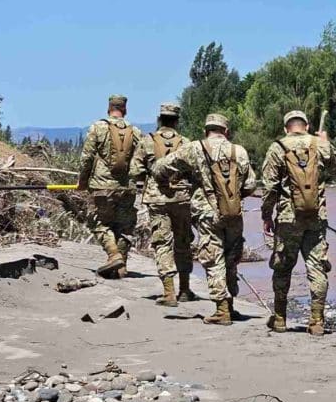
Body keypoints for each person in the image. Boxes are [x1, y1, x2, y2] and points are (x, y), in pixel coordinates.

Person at [153, 113, 256, 325]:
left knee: (213, 257)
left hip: (207, 213)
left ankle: (222, 308)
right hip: (234, 213)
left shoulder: (195, 148)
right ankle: (231, 304)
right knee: (231, 258)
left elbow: (162, 168)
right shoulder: (240, 151)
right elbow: (251, 184)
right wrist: (233, 197)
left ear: (205, 131)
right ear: (226, 132)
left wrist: (164, 178)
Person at [260, 110, 336, 335]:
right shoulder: (319, 143)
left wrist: (267, 215)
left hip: (287, 218)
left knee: (282, 268)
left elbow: (269, 187)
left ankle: (280, 319)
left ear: (286, 128)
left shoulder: (278, 147)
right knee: (317, 268)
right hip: (316, 216)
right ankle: (316, 321)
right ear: (306, 125)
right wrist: (326, 142)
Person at [129, 102, 199, 305]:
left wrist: (148, 174)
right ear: (177, 121)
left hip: (157, 199)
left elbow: (134, 171)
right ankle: (185, 289)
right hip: (182, 198)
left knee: (162, 244)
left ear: (160, 119)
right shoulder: (186, 143)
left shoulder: (147, 141)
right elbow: (196, 171)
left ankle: (169, 292)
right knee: (183, 242)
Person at [77, 94, 143, 279]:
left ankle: (114, 255)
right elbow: (141, 160)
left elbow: (87, 158)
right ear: (125, 110)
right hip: (127, 188)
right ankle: (120, 267)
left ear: (109, 108)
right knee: (124, 226)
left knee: (97, 221)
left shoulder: (97, 127)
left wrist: (82, 182)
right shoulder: (135, 132)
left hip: (102, 187)